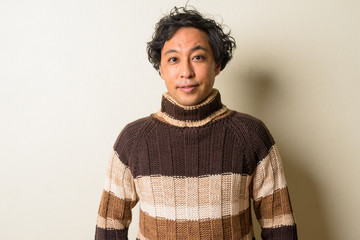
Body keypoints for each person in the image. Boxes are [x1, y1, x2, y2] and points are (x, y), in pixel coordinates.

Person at [95, 6, 297, 240]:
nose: (186, 72)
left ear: (217, 64)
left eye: (198, 57)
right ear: (160, 69)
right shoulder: (133, 139)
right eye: (173, 59)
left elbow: (279, 224)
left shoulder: (251, 135)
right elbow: (109, 225)